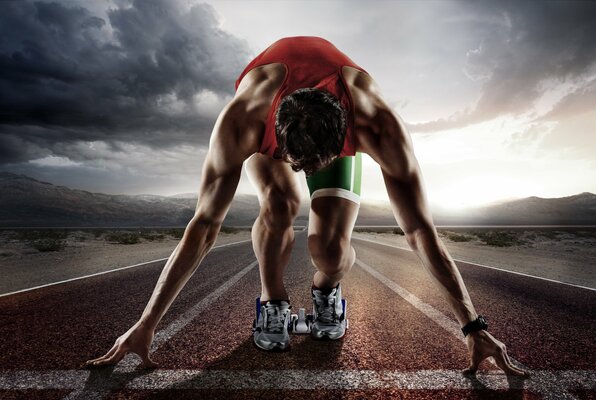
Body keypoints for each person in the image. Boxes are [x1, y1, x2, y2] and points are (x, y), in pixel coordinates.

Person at [86, 36, 529, 376]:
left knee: (330, 251)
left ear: (348, 139)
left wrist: (473, 324)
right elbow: (203, 225)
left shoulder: (378, 125)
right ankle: (272, 302)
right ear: (276, 137)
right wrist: (147, 322)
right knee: (281, 203)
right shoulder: (242, 120)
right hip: (274, 119)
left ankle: (326, 293)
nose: (303, 171)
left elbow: (418, 230)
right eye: (297, 162)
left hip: (331, 128)